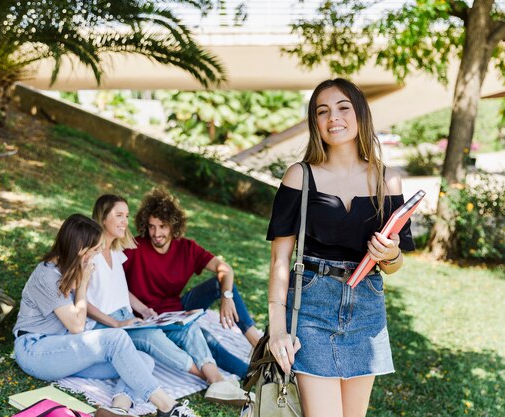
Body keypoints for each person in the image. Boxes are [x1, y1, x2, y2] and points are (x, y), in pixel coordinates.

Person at [266, 78, 415, 417]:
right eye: (323, 111)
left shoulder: (386, 179)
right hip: (311, 309)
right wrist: (278, 330)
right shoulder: (299, 177)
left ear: (360, 114)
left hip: (367, 309)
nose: (333, 117)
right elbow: (279, 261)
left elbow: (395, 264)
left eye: (343, 108)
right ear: (315, 122)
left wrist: (389, 254)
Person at [13, 213, 198, 417]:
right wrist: (83, 283)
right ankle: (168, 407)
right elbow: (77, 326)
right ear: (79, 249)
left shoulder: (69, 269)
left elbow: (78, 324)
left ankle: (118, 408)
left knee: (143, 360)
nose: (96, 255)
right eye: (93, 251)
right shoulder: (47, 275)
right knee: (116, 338)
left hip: (63, 349)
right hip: (35, 349)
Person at [88, 194, 249, 407]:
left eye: (126, 216)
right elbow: (88, 298)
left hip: (152, 315)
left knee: (191, 330)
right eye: (119, 215)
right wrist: (128, 318)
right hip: (124, 322)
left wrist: (144, 311)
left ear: (174, 226)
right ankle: (217, 378)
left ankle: (221, 380)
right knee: (172, 337)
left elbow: (120, 289)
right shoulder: (106, 251)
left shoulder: (120, 251)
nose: (156, 233)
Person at [123, 188, 262, 381]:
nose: (156, 233)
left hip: (177, 309)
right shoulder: (134, 247)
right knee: (206, 340)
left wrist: (227, 297)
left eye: (162, 226)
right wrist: (141, 309)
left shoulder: (186, 248)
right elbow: (115, 282)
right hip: (152, 318)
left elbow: (224, 269)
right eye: (151, 226)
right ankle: (252, 375)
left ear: (173, 225)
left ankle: (259, 344)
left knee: (221, 285)